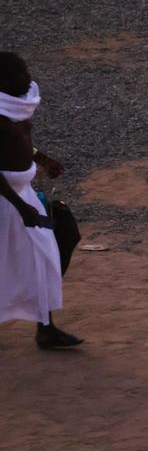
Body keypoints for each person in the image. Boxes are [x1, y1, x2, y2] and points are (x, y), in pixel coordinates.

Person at [0, 53, 81, 351]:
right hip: (8, 200)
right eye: (20, 73)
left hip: (22, 195)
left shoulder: (18, 106)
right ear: (3, 82)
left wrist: (43, 160)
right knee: (34, 256)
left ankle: (45, 329)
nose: (28, 78)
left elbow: (20, 142)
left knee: (56, 246)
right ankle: (45, 330)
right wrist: (23, 210)